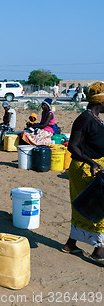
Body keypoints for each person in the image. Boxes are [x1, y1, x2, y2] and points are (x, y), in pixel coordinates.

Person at [62, 82, 104, 264]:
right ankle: (99, 251)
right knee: (96, 208)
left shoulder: (96, 118)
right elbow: (73, 146)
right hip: (85, 169)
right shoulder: (85, 119)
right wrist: (92, 162)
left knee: (84, 207)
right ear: (101, 102)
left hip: (95, 167)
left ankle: (71, 244)